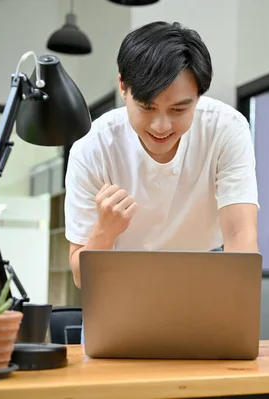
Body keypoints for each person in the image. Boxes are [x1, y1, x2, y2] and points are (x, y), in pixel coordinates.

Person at [64, 21, 259, 290]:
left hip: (204, 275)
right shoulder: (93, 147)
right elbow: (80, 278)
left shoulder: (226, 129)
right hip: (118, 279)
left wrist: (238, 312)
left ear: (199, 96)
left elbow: (240, 235)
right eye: (147, 107)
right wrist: (104, 232)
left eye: (178, 110)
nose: (161, 126)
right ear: (123, 87)